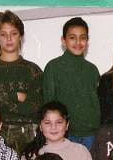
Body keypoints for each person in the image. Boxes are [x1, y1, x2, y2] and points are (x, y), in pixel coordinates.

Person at [0, 10, 42, 154]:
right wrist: (16, 96)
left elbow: (37, 108)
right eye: (3, 34)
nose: (9, 39)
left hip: (29, 135)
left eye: (14, 33)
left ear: (21, 36)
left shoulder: (33, 70)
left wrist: (1, 101)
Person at [43, 17, 101, 150]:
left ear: (87, 40)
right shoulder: (53, 67)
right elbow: (48, 103)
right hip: (64, 134)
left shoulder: (92, 69)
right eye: (72, 38)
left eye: (83, 38)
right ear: (63, 40)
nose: (78, 42)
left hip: (91, 135)